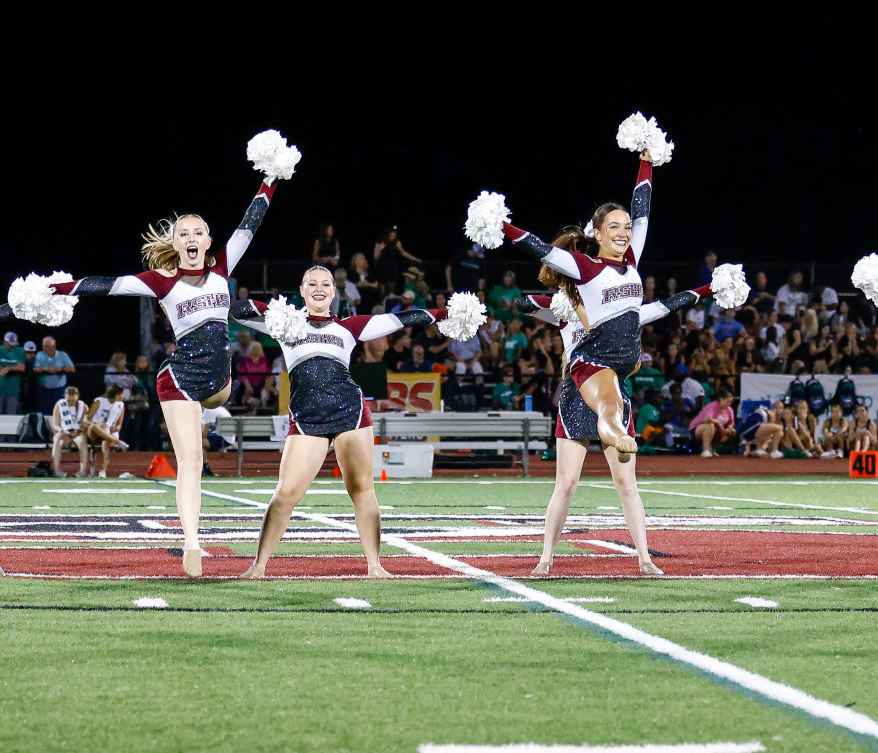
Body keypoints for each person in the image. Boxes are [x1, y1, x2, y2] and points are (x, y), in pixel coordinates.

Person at [0, 162, 286, 576]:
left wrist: (271, 175)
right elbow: (101, 284)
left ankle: (246, 313)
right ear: (174, 242)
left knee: (236, 327)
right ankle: (192, 543)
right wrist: (40, 293)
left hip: (220, 383)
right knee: (191, 459)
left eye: (197, 231)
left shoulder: (223, 267)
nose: (190, 237)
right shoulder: (162, 281)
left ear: (208, 240)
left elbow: (252, 220)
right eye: (182, 232)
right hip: (180, 378)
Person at [231, 266, 450, 579]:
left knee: (363, 489)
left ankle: (375, 565)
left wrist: (447, 312)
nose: (319, 288)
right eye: (311, 284)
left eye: (325, 284)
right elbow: (238, 311)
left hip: (350, 413)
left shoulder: (350, 327)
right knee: (286, 493)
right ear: (302, 290)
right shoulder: (284, 323)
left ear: (334, 293)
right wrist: (275, 310)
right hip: (307, 418)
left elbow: (405, 318)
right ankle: (259, 565)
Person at [516, 283, 714, 576]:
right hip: (577, 394)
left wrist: (711, 288)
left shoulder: (623, 312)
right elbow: (524, 302)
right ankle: (545, 558)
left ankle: (645, 558)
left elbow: (670, 304)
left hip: (614, 393)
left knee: (627, 485)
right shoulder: (565, 312)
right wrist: (571, 303)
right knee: (567, 484)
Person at [499, 150, 657, 462]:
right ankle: (613, 431)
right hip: (587, 367)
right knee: (569, 481)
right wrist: (501, 225)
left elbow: (642, 212)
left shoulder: (631, 262)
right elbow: (539, 260)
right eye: (614, 227)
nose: (624, 233)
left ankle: (614, 433)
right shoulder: (585, 271)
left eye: (625, 228)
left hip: (618, 367)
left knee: (626, 482)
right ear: (597, 234)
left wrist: (647, 160)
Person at [85, 384, 129, 478]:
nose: (123, 396)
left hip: (110, 433)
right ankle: (116, 441)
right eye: (122, 394)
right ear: (116, 395)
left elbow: (119, 424)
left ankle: (103, 471)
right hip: (95, 432)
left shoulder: (121, 405)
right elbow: (88, 418)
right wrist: (98, 425)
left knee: (106, 442)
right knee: (94, 426)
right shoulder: (99, 401)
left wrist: (116, 428)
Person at [50, 385, 89, 478]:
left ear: (78, 397)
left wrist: (79, 430)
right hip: (64, 431)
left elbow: (86, 424)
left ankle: (82, 470)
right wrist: (63, 431)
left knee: (82, 442)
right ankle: (56, 470)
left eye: (73, 401)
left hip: (77, 432)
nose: (71, 403)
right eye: (69, 401)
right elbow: (55, 425)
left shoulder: (83, 406)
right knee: (57, 441)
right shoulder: (59, 405)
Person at [33, 336, 75, 415]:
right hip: (45, 389)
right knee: (46, 412)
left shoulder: (62, 355)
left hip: (59, 389)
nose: (44, 348)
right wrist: (47, 369)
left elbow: (72, 369)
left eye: (46, 346)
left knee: (59, 411)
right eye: (43, 346)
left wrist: (61, 369)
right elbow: (36, 368)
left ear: (53, 346)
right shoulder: (40, 355)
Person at [690, 389, 736, 458]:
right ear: (721, 400)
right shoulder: (712, 406)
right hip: (697, 428)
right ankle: (705, 449)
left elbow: (731, 422)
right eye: (727, 402)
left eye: (730, 402)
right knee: (710, 425)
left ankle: (712, 447)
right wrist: (718, 423)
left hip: (716, 431)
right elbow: (706, 419)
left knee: (732, 431)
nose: (729, 404)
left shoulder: (729, 409)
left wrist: (729, 427)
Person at [0, 331, 25, 415]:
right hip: (0, 389)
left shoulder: (20, 351)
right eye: (9, 344)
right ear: (4, 341)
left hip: (13, 391)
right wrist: (14, 367)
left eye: (13, 344)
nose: (11, 346)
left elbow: (21, 367)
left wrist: (7, 368)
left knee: (11, 416)